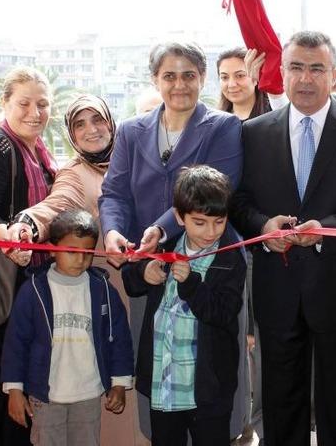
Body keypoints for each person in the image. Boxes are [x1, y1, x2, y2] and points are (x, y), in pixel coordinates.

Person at [230, 30, 336, 446]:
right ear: (281, 73)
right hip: (277, 289)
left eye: (316, 68)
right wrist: (264, 228)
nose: (305, 78)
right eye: (296, 68)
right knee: (281, 407)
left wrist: (325, 228)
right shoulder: (253, 132)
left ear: (334, 74)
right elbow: (240, 202)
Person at [98, 41, 243, 439]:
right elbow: (113, 193)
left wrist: (162, 228)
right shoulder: (130, 130)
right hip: (147, 268)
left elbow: (214, 190)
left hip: (206, 261)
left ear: (202, 78)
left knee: (209, 370)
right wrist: (112, 231)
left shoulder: (224, 127)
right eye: (169, 75)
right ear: (155, 80)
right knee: (157, 361)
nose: (179, 84)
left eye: (189, 75)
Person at [5, 94, 148, 445]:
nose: (91, 130)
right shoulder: (74, 173)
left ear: (111, 122)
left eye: (97, 120)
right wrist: (27, 224)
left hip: (143, 288)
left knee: (132, 380)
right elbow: (58, 205)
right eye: (80, 124)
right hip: (100, 291)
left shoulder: (134, 160)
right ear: (70, 133)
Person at [121, 165, 247, 444]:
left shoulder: (230, 258)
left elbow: (224, 313)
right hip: (164, 383)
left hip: (208, 387)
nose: (210, 232)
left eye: (219, 221)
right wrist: (144, 274)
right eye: (200, 222)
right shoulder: (165, 246)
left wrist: (191, 284)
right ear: (179, 216)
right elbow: (130, 280)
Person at [0, 65, 59, 445]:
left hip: (29, 278)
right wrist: (5, 233)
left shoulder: (38, 151)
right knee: (5, 382)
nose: (34, 113)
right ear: (5, 103)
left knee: (19, 378)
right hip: (5, 282)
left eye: (42, 104)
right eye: (24, 103)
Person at [1, 210, 134, 446]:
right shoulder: (33, 290)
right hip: (46, 395)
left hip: (88, 393)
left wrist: (120, 384)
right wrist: (14, 390)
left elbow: (119, 337)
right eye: (72, 251)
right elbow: (16, 343)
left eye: (87, 252)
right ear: (52, 249)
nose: (80, 260)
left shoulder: (102, 288)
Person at [216, 45, 274, 445]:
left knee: (265, 344)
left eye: (241, 74)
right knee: (232, 342)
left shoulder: (272, 121)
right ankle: (239, 425)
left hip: (263, 247)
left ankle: (266, 424)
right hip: (224, 249)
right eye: (225, 76)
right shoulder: (213, 126)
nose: (233, 83)